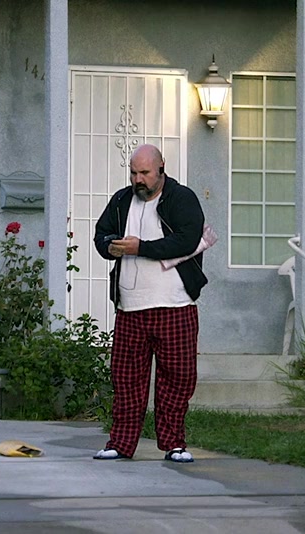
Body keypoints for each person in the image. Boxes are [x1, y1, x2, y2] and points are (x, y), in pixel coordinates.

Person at [92, 144, 207, 463]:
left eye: (144, 173)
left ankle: (174, 444)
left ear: (161, 168)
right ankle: (120, 444)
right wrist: (109, 246)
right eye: (133, 173)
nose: (138, 179)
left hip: (175, 305)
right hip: (130, 307)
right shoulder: (121, 200)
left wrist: (140, 248)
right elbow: (101, 234)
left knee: (178, 378)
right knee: (126, 380)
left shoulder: (182, 198)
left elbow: (186, 240)